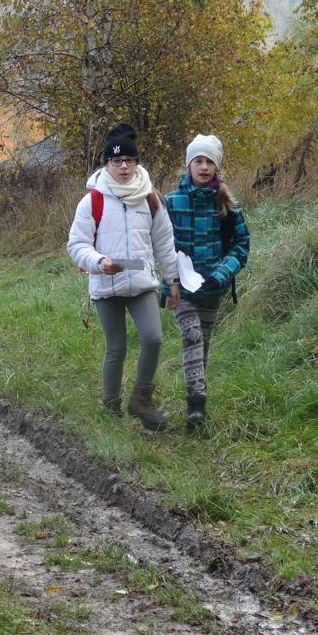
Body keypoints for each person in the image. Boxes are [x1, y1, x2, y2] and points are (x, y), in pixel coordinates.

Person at [67, 124, 181, 431]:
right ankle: (111, 406)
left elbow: (165, 244)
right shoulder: (93, 201)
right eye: (116, 161)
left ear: (136, 162)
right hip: (106, 284)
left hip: (141, 282)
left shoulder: (151, 198)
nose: (124, 167)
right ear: (107, 164)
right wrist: (98, 261)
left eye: (129, 160)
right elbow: (76, 245)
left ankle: (141, 400)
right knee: (116, 347)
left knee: (153, 339)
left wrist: (173, 281)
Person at [164, 134, 250, 430]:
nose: (203, 167)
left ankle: (198, 404)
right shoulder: (171, 203)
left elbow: (241, 246)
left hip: (213, 287)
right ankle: (196, 403)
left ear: (216, 167)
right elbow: (159, 246)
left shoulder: (226, 204)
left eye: (209, 162)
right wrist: (167, 284)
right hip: (180, 288)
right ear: (188, 165)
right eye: (198, 161)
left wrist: (221, 274)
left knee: (203, 344)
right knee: (192, 335)